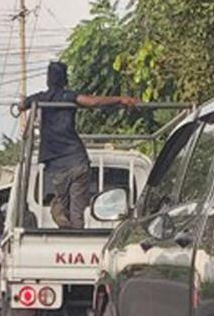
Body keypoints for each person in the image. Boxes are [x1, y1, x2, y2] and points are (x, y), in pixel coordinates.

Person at [21, 61, 141, 228]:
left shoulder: (41, 98)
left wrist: (24, 104)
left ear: (48, 80)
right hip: (78, 159)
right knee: (77, 210)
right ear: (65, 80)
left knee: (60, 205)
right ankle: (75, 228)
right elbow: (92, 102)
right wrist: (120, 99)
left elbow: (22, 105)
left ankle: (61, 214)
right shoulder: (69, 96)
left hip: (57, 163)